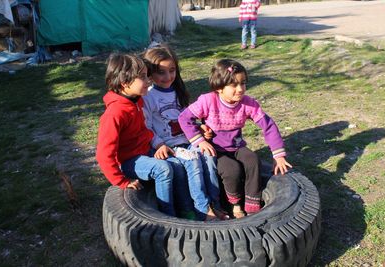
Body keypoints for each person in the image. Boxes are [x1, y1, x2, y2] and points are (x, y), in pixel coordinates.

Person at [179, 59, 292, 218]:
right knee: (232, 170)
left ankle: (252, 203)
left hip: (237, 146)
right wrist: (200, 140)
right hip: (216, 150)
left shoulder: (248, 104)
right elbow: (184, 118)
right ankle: (235, 205)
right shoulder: (208, 101)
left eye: (243, 83)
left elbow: (268, 126)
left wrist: (278, 155)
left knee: (253, 159)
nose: (240, 89)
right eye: (234, 85)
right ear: (219, 87)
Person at [96, 53, 192, 217]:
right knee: (163, 169)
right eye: (142, 77)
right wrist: (121, 181)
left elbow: (143, 130)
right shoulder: (115, 113)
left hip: (145, 151)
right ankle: (167, 215)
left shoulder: (137, 101)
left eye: (147, 75)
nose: (149, 80)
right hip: (128, 161)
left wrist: (159, 144)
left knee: (176, 164)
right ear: (125, 83)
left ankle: (186, 209)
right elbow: (104, 154)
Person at [142, 45, 228, 221]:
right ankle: (202, 210)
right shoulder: (148, 97)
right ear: (150, 73)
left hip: (187, 140)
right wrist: (158, 144)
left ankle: (215, 204)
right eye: (161, 72)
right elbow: (146, 127)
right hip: (167, 146)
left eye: (172, 70)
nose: (168, 77)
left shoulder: (178, 91)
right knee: (192, 162)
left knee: (209, 156)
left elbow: (186, 119)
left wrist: (199, 127)